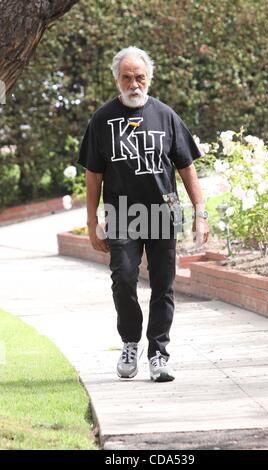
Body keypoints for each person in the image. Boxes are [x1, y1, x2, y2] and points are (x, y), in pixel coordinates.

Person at [77, 46, 209, 382]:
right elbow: (93, 175)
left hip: (163, 213)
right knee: (123, 278)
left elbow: (186, 167)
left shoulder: (166, 116)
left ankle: (159, 354)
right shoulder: (101, 120)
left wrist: (200, 212)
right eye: (127, 78)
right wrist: (92, 223)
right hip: (122, 215)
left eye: (140, 77)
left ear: (148, 79)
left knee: (163, 286)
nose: (134, 84)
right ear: (117, 80)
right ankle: (130, 342)